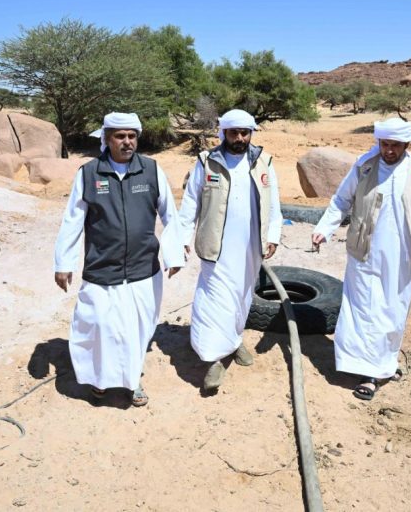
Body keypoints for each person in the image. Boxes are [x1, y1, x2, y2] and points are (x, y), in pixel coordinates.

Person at [311, 117, 411, 401]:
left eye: (395, 145)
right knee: (364, 308)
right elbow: (341, 200)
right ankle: (369, 374)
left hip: (406, 255)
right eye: (384, 144)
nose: (388, 150)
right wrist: (323, 229)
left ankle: (385, 363)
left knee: (393, 311)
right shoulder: (364, 165)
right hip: (366, 251)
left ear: (407, 144)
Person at [53, 112, 184, 407]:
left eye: (131, 136)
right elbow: (72, 220)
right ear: (106, 139)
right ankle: (100, 380)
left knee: (137, 328)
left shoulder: (151, 170)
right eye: (119, 136)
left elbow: (170, 215)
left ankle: (132, 381)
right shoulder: (89, 173)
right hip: (102, 267)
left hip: (143, 268)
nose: (127, 142)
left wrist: (174, 253)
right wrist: (63, 262)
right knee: (98, 324)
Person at [178, 108, 283, 392]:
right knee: (214, 299)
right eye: (233, 132)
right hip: (215, 246)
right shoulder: (206, 162)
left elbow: (274, 203)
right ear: (222, 133)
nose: (239, 138)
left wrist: (273, 235)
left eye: (244, 132)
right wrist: (181, 238)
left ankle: (234, 342)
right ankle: (212, 357)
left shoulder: (264, 162)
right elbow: (190, 204)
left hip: (250, 245)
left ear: (251, 134)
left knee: (242, 296)